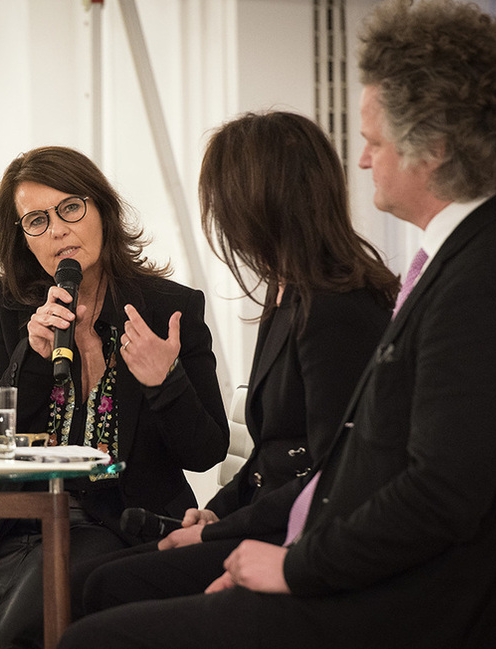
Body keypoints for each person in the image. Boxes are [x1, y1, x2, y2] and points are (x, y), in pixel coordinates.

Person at [59, 1, 496, 648]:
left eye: (373, 141)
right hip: (384, 578)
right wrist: (241, 537)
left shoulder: (489, 278)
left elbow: (438, 495)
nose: (362, 162)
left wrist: (290, 564)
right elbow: (359, 466)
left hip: (401, 607)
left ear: (434, 146)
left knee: (95, 634)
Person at [68, 110, 398, 615]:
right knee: (91, 580)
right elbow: (272, 456)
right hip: (262, 522)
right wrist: (210, 518)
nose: (218, 217)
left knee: (102, 589)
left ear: (258, 202)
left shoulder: (336, 307)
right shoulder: (289, 292)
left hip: (295, 545)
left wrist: (219, 532)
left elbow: (332, 476)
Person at [0, 146, 229, 648]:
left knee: (28, 617)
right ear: (23, 238)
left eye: (70, 209)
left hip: (120, 524)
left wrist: (163, 380)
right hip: (15, 522)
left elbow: (206, 451)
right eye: (37, 221)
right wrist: (35, 356)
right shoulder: (9, 304)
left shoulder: (169, 308)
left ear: (103, 211)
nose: (58, 230)